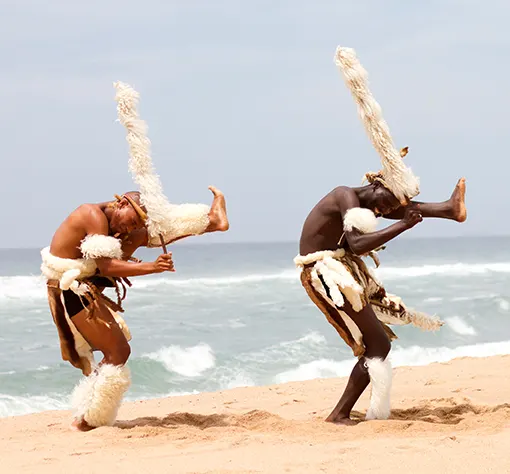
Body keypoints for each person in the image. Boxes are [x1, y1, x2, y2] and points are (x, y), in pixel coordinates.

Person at [41, 82, 229, 432]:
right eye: (131, 219)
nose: (127, 230)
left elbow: (117, 251)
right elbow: (108, 264)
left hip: (86, 283)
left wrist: (138, 244)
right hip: (72, 290)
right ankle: (90, 420)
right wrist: (152, 267)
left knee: (115, 347)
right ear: (121, 203)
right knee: (119, 354)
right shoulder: (93, 216)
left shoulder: (118, 225)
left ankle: (212, 221)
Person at [294, 47, 467, 424]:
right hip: (326, 272)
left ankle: (449, 210)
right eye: (385, 203)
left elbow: (379, 218)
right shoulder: (344, 195)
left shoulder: (368, 202)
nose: (384, 211)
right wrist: (404, 225)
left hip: (341, 268)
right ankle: (339, 414)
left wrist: (407, 215)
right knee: (378, 344)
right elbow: (356, 243)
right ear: (375, 184)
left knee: (377, 344)